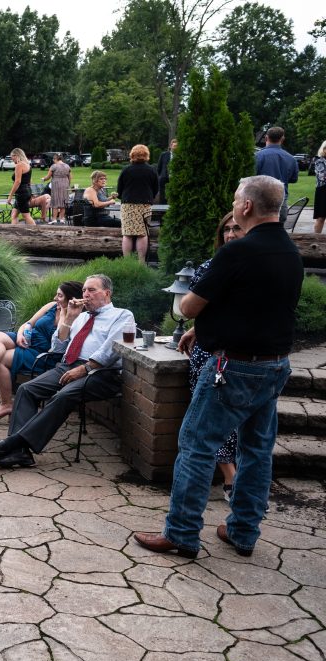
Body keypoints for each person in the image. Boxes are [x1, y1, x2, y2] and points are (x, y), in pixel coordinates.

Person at [135, 175, 302, 559]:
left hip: (234, 367)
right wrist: (206, 327)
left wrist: (196, 317)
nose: (234, 205)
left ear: (247, 206)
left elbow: (188, 305)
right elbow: (255, 306)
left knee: (196, 446)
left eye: (236, 199)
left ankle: (181, 533)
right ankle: (243, 531)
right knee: (256, 451)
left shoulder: (237, 252)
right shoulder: (290, 252)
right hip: (275, 366)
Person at [0, 275, 134, 468]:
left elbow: (111, 351)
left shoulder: (122, 315)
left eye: (91, 290)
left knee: (63, 395)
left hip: (100, 372)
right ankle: (20, 453)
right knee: (27, 389)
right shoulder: (81, 316)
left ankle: (15, 442)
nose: (86, 294)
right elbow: (57, 347)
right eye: (84, 290)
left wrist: (85, 368)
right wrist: (69, 318)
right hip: (68, 365)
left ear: (107, 293)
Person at [177, 213, 242, 502]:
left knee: (228, 421)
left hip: (239, 355)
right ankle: (230, 477)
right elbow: (199, 308)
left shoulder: (254, 266)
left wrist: (195, 324)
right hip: (209, 354)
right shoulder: (211, 266)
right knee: (208, 420)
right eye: (226, 230)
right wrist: (195, 328)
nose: (231, 234)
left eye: (237, 228)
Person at [0, 281, 84, 420]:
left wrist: (65, 314)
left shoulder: (75, 317)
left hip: (43, 354)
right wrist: (20, 334)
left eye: (59, 295)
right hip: (27, 340)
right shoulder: (51, 306)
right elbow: (28, 323)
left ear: (71, 299)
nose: (55, 298)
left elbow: (58, 345)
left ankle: (6, 404)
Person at [117, 144, 159, 259]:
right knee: (142, 234)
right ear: (146, 155)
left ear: (132, 154)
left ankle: (127, 262)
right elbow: (156, 189)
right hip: (145, 204)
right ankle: (141, 262)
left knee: (127, 234)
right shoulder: (152, 170)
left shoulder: (126, 170)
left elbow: (119, 189)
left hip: (128, 204)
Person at [255, 126, 299, 222]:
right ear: (282, 139)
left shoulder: (258, 156)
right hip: (281, 201)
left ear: (266, 138)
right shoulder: (291, 159)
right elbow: (293, 179)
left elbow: (251, 177)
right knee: (278, 228)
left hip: (260, 200)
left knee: (260, 228)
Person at [7, 149, 50, 225]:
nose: (12, 159)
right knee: (14, 214)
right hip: (26, 191)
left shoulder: (19, 165)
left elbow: (17, 182)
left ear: (16, 155)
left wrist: (10, 196)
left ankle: (35, 230)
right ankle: (14, 229)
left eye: (12, 157)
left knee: (26, 215)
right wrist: (30, 193)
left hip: (21, 193)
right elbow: (30, 181)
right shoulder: (27, 165)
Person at [42, 154, 72, 224]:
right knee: (64, 202)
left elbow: (48, 177)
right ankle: (62, 219)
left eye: (53, 159)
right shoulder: (67, 166)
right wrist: (68, 184)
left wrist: (43, 179)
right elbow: (70, 177)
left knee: (55, 201)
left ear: (55, 159)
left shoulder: (53, 166)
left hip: (56, 185)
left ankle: (54, 219)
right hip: (65, 184)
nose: (53, 161)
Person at [156, 138, 177, 203]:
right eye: (174, 146)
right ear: (171, 146)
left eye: (177, 146)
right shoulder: (164, 155)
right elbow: (159, 167)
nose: (175, 148)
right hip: (164, 178)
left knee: (173, 196)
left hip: (175, 179)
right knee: (163, 197)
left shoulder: (180, 156)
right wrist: (160, 176)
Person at [313, 140, 326, 235]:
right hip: (323, 190)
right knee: (321, 217)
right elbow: (322, 176)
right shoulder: (319, 160)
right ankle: (316, 239)